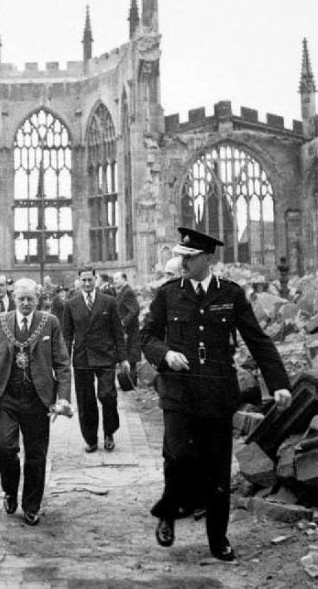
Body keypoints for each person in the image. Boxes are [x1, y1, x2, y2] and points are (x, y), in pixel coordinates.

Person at [141, 227, 292, 562]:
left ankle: (218, 538)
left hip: (216, 393)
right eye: (181, 256)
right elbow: (147, 336)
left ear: (208, 258)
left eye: (190, 257)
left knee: (217, 466)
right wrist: (165, 354)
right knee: (178, 456)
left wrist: (279, 383)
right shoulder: (168, 293)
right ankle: (169, 512)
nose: (183, 263)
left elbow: (258, 340)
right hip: (178, 392)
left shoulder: (231, 294)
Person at [0, 278, 72, 525]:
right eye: (21, 299)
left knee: (36, 454)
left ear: (37, 299)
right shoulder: (0, 322)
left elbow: (62, 364)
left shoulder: (49, 322)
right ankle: (10, 490)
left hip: (37, 399)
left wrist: (63, 398)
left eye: (30, 299)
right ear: (14, 299)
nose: (26, 303)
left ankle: (31, 505)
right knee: (4, 448)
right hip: (5, 397)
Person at [62, 267, 129, 453]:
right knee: (86, 400)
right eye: (83, 280)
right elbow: (66, 335)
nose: (87, 283)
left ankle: (109, 433)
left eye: (90, 280)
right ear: (79, 281)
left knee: (108, 396)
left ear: (95, 280)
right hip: (82, 358)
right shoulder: (71, 304)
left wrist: (123, 358)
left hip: (105, 356)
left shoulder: (108, 302)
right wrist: (64, 359)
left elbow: (118, 332)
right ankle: (91, 439)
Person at [113, 272, 141, 387]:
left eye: (117, 279)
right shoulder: (122, 292)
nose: (114, 281)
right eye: (114, 279)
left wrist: (123, 322)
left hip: (130, 331)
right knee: (128, 355)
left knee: (130, 355)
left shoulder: (127, 292)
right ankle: (128, 381)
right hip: (125, 331)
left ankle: (130, 382)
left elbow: (135, 310)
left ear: (124, 279)